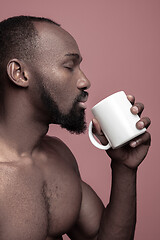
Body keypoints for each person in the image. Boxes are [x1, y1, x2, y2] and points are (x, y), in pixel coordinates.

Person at [0, 15, 151, 240]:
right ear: (20, 74)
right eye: (69, 66)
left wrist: (124, 168)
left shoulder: (58, 156)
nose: (85, 81)